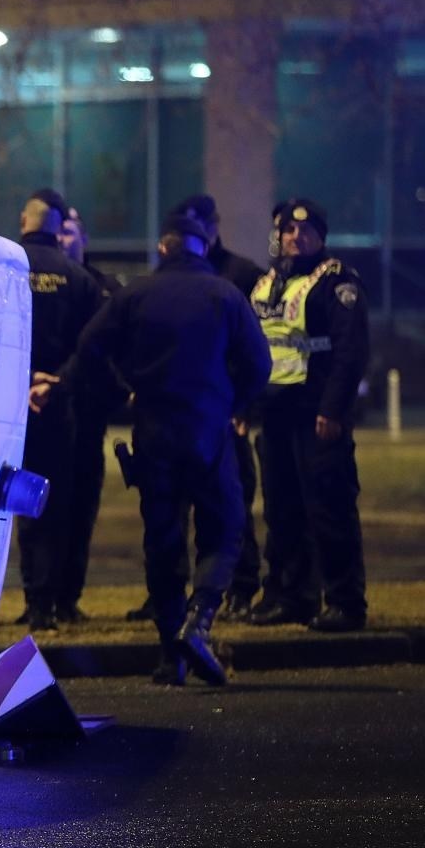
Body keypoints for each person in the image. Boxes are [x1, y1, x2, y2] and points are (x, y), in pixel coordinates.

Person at [31, 213, 271, 685]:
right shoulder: (224, 295)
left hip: (154, 432)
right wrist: (231, 403)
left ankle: (171, 655)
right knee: (223, 529)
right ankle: (198, 621)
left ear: (163, 248)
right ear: (203, 248)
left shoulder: (135, 294)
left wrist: (114, 388)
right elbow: (259, 364)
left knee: (162, 541)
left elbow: (90, 348)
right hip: (208, 432)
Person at [121, 195, 267, 622]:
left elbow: (256, 347)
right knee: (174, 516)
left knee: (227, 510)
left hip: (219, 416)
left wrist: (238, 405)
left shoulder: (239, 275)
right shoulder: (177, 280)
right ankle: (175, 603)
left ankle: (239, 588)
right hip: (193, 414)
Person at [247, 198, 370, 632]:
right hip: (276, 414)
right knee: (282, 511)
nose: (295, 237)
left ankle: (345, 602)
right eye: (288, 231)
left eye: (305, 230)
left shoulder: (336, 280)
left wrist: (333, 408)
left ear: (321, 236)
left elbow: (350, 351)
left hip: (317, 414)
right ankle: (288, 595)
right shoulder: (269, 283)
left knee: (329, 508)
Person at [15, 188, 102, 631]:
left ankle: (33, 598)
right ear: (56, 228)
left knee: (20, 502)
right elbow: (93, 346)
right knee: (58, 503)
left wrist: (23, 380)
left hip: (14, 410)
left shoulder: (4, 268)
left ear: (23, 221)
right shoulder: (79, 278)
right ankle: (54, 599)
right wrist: (56, 381)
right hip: (60, 408)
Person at [53, 205, 123, 623]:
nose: (62, 240)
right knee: (43, 514)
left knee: (81, 509)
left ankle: (68, 598)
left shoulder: (103, 289)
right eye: (57, 231)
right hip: (46, 419)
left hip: (86, 415)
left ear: (84, 238)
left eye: (70, 232)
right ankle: (40, 599)